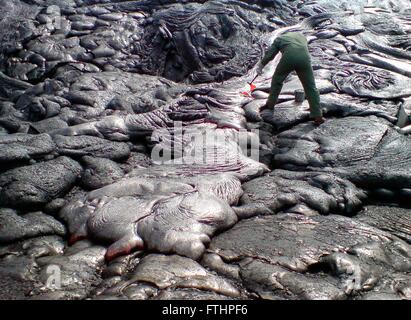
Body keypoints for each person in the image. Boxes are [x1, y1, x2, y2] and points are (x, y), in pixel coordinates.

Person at [257, 31, 325, 125]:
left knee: (277, 80)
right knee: (310, 86)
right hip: (305, 59)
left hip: (289, 58)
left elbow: (270, 54)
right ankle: (317, 114)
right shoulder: (301, 36)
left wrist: (261, 65)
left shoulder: (279, 39)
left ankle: (270, 104)